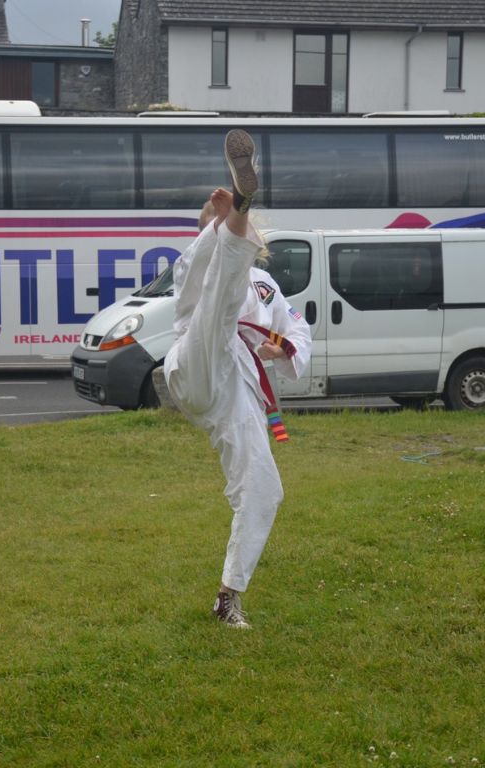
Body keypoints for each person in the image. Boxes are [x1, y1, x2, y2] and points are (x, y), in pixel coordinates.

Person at [163, 129, 311, 629]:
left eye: (234, 217)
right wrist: (233, 212)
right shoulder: (192, 264)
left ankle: (229, 595)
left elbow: (298, 330)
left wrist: (281, 347)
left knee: (265, 488)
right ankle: (245, 198)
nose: (223, 226)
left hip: (236, 388)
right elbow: (215, 276)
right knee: (219, 306)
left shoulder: (266, 286)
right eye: (220, 220)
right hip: (196, 359)